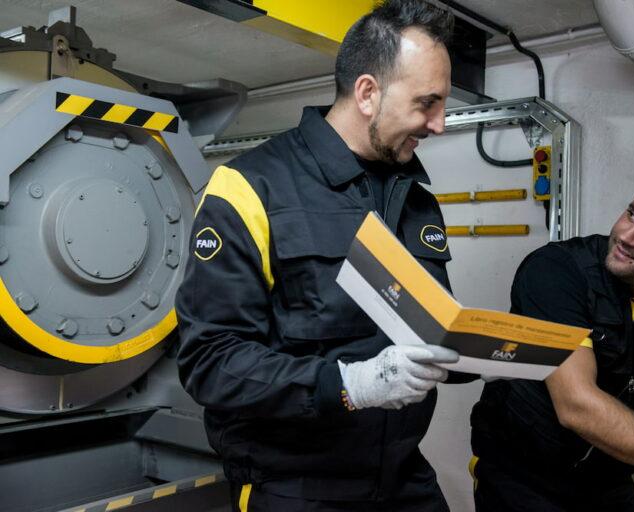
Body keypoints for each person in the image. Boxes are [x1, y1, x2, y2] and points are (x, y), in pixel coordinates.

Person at [175, 1, 460, 511]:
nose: (439, 124)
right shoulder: (250, 187)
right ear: (367, 93)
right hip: (297, 488)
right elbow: (211, 361)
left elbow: (428, 323)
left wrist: (484, 350)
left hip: (404, 480)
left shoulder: (416, 197)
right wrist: (349, 385)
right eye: (427, 104)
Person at [471, 166, 634, 511]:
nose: (627, 236)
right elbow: (577, 406)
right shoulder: (558, 270)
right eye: (632, 214)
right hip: (521, 475)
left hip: (605, 479)